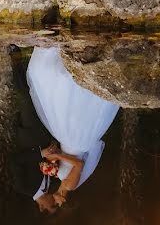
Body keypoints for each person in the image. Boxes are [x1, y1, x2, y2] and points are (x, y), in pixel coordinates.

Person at [27, 46, 120, 214]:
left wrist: (55, 156)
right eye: (58, 205)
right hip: (75, 141)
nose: (56, 202)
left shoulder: (61, 179)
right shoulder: (70, 185)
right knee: (69, 101)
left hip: (69, 142)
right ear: (64, 200)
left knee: (69, 107)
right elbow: (78, 163)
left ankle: (72, 59)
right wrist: (57, 156)